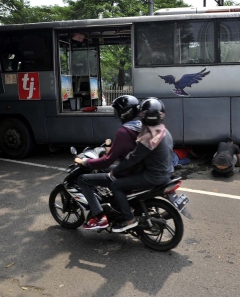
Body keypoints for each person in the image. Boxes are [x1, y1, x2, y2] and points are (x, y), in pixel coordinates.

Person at [75, 95, 142, 230]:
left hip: (127, 173)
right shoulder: (140, 127)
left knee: (83, 179)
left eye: (117, 110)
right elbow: (128, 149)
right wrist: (112, 150)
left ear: (125, 112)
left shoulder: (123, 132)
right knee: (102, 171)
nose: (115, 114)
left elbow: (106, 161)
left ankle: (99, 216)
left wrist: (86, 162)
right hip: (136, 169)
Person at [108, 97, 174, 232]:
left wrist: (115, 171)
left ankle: (129, 219)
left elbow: (132, 159)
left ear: (142, 115)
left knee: (116, 185)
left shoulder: (150, 136)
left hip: (154, 176)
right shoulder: (164, 131)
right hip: (167, 173)